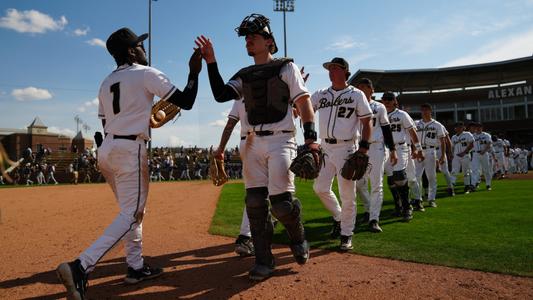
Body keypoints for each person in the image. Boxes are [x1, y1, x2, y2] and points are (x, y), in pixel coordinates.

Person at [56, 27, 202, 299]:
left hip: (107, 149)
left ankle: (135, 267)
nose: (144, 50)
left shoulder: (105, 82)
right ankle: (80, 266)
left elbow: (104, 121)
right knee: (130, 214)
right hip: (129, 149)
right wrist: (194, 72)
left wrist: (137, 120)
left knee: (131, 212)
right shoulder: (146, 73)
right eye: (141, 46)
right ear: (132, 51)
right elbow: (187, 101)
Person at [196, 13, 316, 281]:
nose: (248, 40)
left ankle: (298, 238)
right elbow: (220, 94)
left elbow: (304, 102)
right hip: (252, 142)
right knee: (254, 203)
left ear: (269, 41)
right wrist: (211, 61)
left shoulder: (286, 68)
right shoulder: (244, 75)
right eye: (246, 38)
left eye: (254, 36)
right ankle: (264, 261)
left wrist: (311, 139)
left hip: (282, 138)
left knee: (282, 205)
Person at [311, 58, 372, 247]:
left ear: (345, 71)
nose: (331, 71)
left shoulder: (356, 94)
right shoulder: (321, 94)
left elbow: (366, 122)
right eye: (329, 68)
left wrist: (363, 148)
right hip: (325, 147)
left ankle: (346, 234)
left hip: (346, 147)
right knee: (319, 188)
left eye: (335, 68)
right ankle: (338, 217)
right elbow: (302, 109)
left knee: (348, 195)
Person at [213, 99, 255, 257]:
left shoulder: (240, 95)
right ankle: (247, 235)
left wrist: (221, 148)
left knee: (254, 192)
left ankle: (246, 236)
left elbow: (230, 125)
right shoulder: (274, 83)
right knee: (276, 193)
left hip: (246, 143)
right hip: (271, 141)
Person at [353, 80, 397, 230]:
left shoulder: (379, 106)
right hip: (358, 147)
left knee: (376, 184)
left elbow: (386, 129)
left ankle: (374, 219)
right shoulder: (353, 104)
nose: (361, 89)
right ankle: (368, 208)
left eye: (365, 87)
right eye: (359, 87)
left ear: (371, 90)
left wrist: (392, 150)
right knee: (358, 184)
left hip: (376, 147)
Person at [382, 92, 425, 221]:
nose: (387, 101)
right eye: (385, 99)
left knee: (404, 177)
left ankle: (412, 204)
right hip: (385, 149)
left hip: (401, 147)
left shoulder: (401, 114)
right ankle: (399, 206)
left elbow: (412, 131)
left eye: (390, 99)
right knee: (391, 179)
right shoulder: (380, 114)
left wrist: (418, 149)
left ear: (394, 101)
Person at [414, 104, 447, 208]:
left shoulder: (437, 125)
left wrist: (442, 156)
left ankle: (431, 199)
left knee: (431, 176)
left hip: (430, 150)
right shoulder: (416, 124)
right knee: (415, 177)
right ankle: (417, 199)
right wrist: (413, 150)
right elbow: (411, 138)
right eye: (422, 110)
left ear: (430, 111)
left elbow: (443, 141)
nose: (424, 112)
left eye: (426, 110)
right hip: (418, 151)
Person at [450, 122, 475, 193]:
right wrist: (451, 154)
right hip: (456, 156)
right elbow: (452, 147)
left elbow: (472, 144)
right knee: (454, 171)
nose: (459, 128)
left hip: (465, 155)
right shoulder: (453, 137)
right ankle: (451, 186)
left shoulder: (467, 134)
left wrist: (464, 152)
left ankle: (467, 186)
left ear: (463, 127)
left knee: (466, 171)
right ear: (455, 128)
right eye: (457, 127)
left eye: (460, 127)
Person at [471, 123, 493, 190]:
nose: (478, 128)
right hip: (475, 154)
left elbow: (489, 143)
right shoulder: (472, 136)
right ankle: (473, 185)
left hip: (484, 153)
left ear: (482, 128)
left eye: (479, 127)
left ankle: (488, 185)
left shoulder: (486, 135)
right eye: (476, 127)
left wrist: (484, 150)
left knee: (486, 170)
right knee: (475, 169)